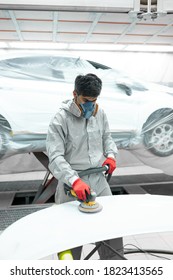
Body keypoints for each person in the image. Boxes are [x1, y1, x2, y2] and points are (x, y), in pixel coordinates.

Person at [46, 73, 123, 259]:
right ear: (75, 94)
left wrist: (111, 156)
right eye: (86, 100)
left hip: (99, 180)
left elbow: (107, 138)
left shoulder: (100, 113)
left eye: (94, 100)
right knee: (71, 238)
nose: (90, 105)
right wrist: (74, 181)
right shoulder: (60, 119)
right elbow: (55, 156)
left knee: (111, 232)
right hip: (72, 185)